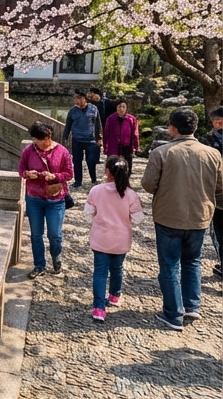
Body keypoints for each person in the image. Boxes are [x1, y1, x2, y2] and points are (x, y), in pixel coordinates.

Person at [141, 106, 223, 330]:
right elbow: (220, 188)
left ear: (172, 129)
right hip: (200, 216)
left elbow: (148, 185)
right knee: (192, 261)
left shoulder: (162, 152)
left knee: (169, 265)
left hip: (168, 216)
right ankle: (192, 306)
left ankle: (173, 313)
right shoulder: (212, 153)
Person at [84, 154, 145, 323]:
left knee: (100, 272)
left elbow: (88, 215)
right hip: (121, 240)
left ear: (107, 172)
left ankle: (98, 308)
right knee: (117, 268)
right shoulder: (131, 194)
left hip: (101, 238)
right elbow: (138, 218)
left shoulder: (96, 191)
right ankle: (114, 296)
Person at [18, 121, 74, 278]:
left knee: (54, 234)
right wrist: (27, 174)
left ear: (48, 137)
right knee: (36, 234)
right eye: (34, 139)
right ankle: (39, 265)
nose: (36, 142)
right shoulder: (29, 151)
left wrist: (55, 176)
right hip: (34, 197)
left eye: (39, 139)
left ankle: (56, 257)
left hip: (55, 200)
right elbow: (21, 169)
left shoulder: (62, 151)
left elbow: (69, 174)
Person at [62, 90, 103, 187]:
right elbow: (68, 125)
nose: (76, 101)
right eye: (75, 99)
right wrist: (65, 137)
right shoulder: (73, 111)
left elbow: (98, 124)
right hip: (77, 140)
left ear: (84, 99)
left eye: (78, 99)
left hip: (91, 140)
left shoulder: (93, 109)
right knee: (77, 161)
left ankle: (93, 179)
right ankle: (78, 181)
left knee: (91, 161)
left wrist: (99, 138)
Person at [203, 106, 223, 276]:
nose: (217, 125)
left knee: (219, 230)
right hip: (217, 191)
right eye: (215, 122)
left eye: (220, 122)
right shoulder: (211, 139)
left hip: (219, 192)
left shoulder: (212, 141)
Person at [103, 101, 140, 177]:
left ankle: (125, 183)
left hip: (126, 146)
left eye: (123, 107)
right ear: (116, 108)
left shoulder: (131, 119)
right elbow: (106, 133)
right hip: (113, 146)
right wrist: (105, 146)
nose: (121, 109)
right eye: (119, 107)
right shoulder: (110, 119)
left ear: (126, 108)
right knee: (113, 166)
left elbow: (135, 133)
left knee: (127, 167)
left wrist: (136, 146)